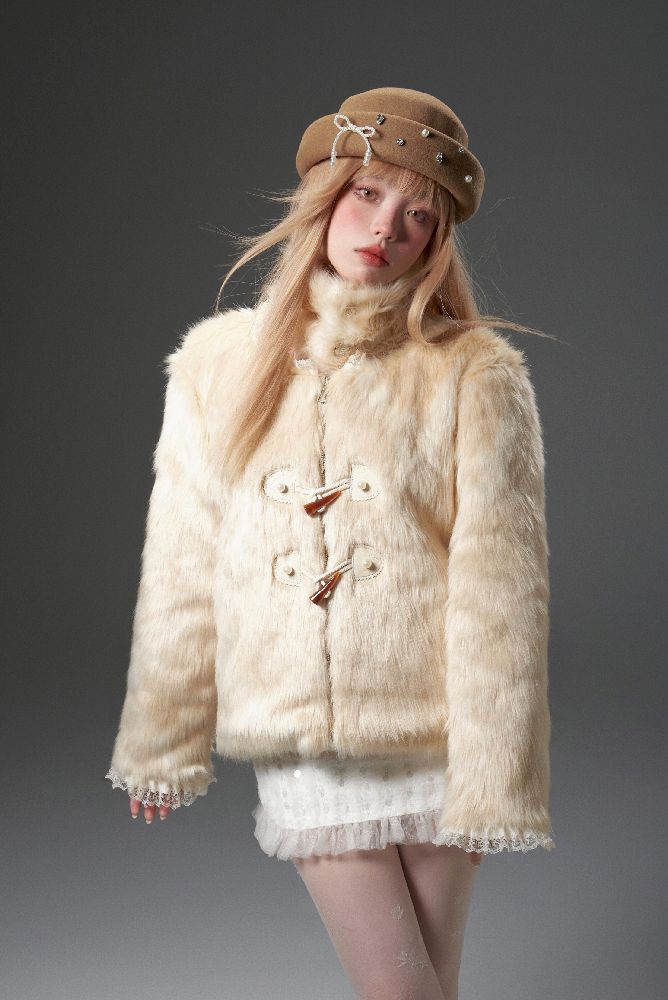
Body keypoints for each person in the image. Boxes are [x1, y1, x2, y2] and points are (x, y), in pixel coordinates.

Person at [105, 86, 556, 1000]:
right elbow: (183, 560)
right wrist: (161, 738)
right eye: (368, 195)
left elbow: (503, 586)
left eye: (418, 214)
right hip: (304, 735)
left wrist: (495, 773)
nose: (387, 228)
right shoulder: (216, 364)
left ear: (436, 240)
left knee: (431, 990)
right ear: (324, 197)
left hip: (440, 734)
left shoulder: (476, 371)